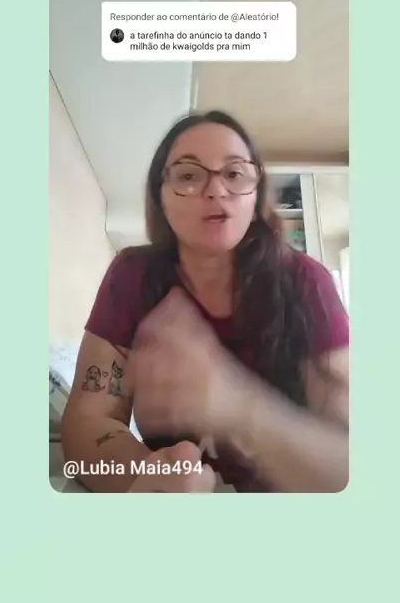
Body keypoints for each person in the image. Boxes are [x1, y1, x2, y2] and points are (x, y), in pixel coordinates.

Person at [61, 110, 349, 493]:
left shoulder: (308, 283)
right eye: (188, 175)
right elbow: (88, 421)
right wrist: (149, 476)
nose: (216, 190)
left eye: (234, 173)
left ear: (256, 195)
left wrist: (237, 406)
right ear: (160, 197)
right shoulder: (132, 276)